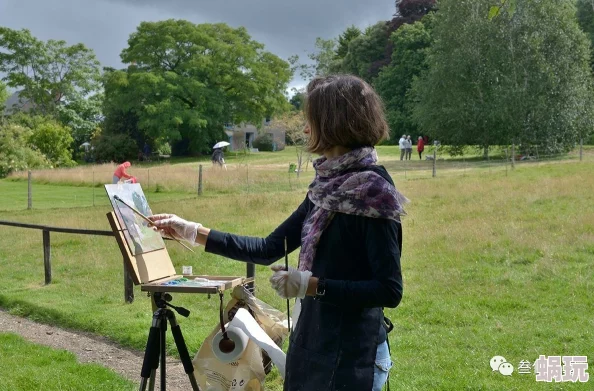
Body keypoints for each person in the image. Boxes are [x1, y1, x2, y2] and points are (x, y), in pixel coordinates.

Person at [149, 75, 407, 391]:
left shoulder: (373, 193)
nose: (305, 128)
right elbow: (269, 248)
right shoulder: (326, 189)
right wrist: (190, 230)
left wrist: (313, 285)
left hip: (354, 357)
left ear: (333, 123)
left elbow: (388, 290)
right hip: (313, 340)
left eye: (310, 119)